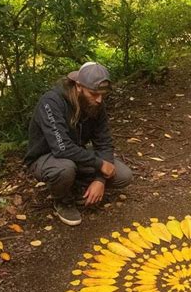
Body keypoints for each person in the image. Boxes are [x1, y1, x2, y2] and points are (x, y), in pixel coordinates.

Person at [24, 62, 133, 226]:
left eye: (103, 95)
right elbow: (61, 147)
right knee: (65, 169)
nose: (99, 100)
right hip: (47, 156)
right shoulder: (52, 102)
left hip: (77, 154)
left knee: (123, 175)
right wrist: (99, 164)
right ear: (79, 86)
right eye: (94, 94)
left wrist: (100, 179)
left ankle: (79, 187)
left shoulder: (97, 103)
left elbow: (104, 142)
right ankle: (62, 200)